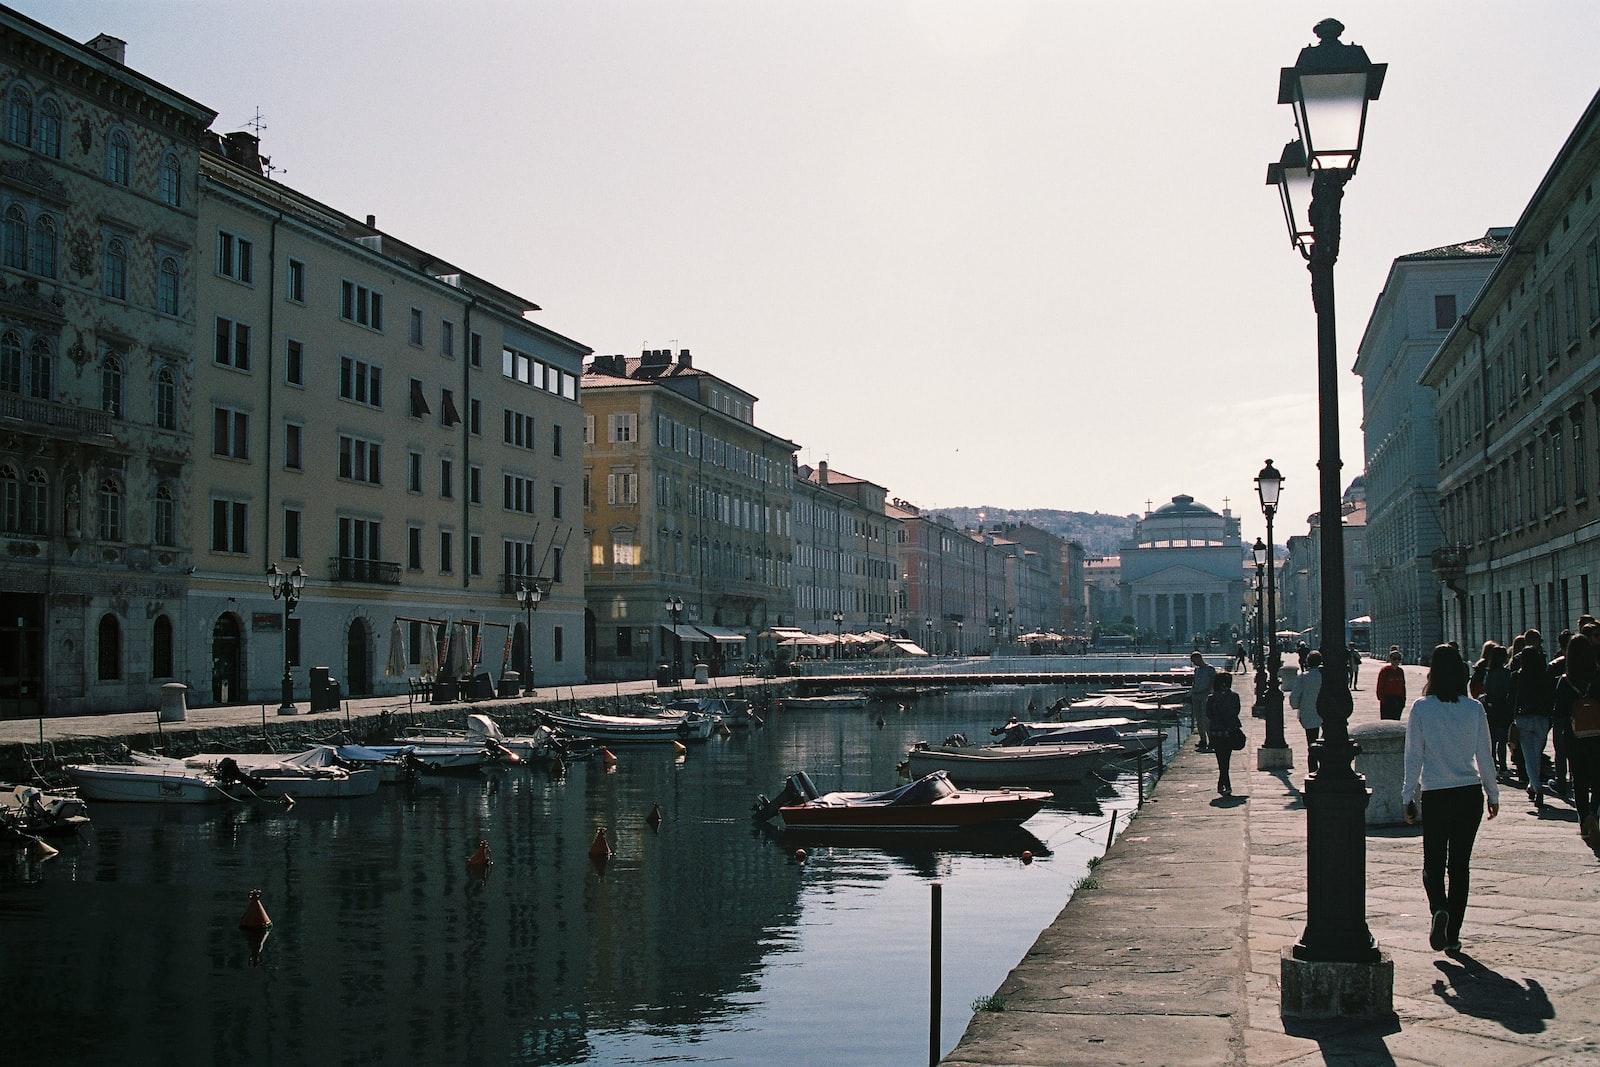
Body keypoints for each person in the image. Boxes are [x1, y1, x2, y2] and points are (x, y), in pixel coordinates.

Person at [1402, 643, 1500, 954]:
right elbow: (1485, 756)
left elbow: (1413, 756)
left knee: (1433, 863)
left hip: (1436, 793)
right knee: (1460, 866)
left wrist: (1408, 795)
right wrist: (1492, 793)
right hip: (1469, 793)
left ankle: (1439, 909)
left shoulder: (1421, 708)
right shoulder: (1474, 709)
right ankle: (1453, 935)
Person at [1553, 632, 1600, 845]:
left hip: (1575, 738)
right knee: (1598, 779)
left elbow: (1559, 714)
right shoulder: (1598, 677)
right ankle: (1594, 813)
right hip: (1598, 737)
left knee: (1579, 780)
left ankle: (1584, 819)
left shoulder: (1565, 681)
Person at [1510, 629, 1554, 807]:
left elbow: (1510, 698)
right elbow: (1551, 696)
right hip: (1542, 719)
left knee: (1529, 755)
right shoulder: (1545, 676)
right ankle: (1533, 785)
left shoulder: (1516, 677)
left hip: (1524, 717)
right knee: (1536, 753)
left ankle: (1536, 786)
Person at [1206, 672, 1243, 796]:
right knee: (1226, 758)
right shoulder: (1234, 696)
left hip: (1216, 732)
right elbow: (1236, 711)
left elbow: (1208, 714)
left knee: (1220, 759)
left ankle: (1223, 782)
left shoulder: (1211, 698)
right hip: (1229, 731)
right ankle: (1225, 783)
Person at [1480, 643, 1515, 776]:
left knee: (1493, 739)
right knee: (1502, 739)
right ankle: (1503, 766)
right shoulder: (1506, 673)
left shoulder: (1489, 673)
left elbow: (1486, 689)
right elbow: (1508, 691)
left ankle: (1493, 763)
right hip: (1503, 708)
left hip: (1491, 708)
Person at [1290, 649, 1323, 773]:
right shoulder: (1325, 676)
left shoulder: (1303, 677)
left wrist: (1297, 706)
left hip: (1308, 713)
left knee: (1312, 743)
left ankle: (1313, 770)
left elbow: (1294, 696)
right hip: (1326, 714)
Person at [1190, 651, 1218, 752]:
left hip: (1205, 694)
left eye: (1194, 661)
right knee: (1198, 719)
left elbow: (1213, 681)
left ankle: (1212, 740)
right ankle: (1203, 740)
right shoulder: (1196, 670)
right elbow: (1194, 681)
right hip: (1196, 694)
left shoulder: (1210, 669)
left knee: (1206, 719)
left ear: (1199, 658)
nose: (1193, 663)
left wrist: (1209, 692)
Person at [1376, 649, 1407, 720]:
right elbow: (1380, 686)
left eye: (1399, 659)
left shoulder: (1400, 671)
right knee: (1386, 721)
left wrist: (1403, 700)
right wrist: (1382, 700)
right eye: (1394, 658)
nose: (1396, 661)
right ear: (1390, 659)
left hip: (1398, 699)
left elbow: (1403, 686)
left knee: (1396, 720)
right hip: (1387, 699)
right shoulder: (1385, 670)